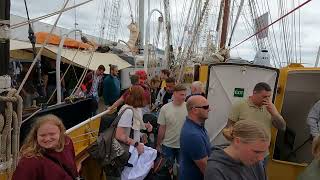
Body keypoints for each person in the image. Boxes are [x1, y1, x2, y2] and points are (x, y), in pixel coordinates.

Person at [13, 114, 79, 180]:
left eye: (52, 134)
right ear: (36, 136)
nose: (47, 139)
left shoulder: (67, 143)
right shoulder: (29, 162)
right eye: (42, 135)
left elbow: (73, 168)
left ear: (60, 132)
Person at [204, 120, 270, 180]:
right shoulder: (215, 170)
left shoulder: (256, 162)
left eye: (263, 152)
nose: (261, 158)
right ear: (237, 141)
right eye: (256, 152)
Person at [180, 95, 212, 180]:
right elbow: (206, 170)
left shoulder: (197, 126)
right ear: (194, 110)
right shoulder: (193, 135)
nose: (209, 109)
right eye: (206, 107)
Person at [156, 84, 188, 164]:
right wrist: (158, 144)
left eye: (185, 95)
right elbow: (162, 128)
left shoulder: (188, 107)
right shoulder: (165, 108)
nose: (184, 97)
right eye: (181, 95)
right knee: (166, 170)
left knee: (182, 169)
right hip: (167, 145)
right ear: (174, 93)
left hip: (183, 145)